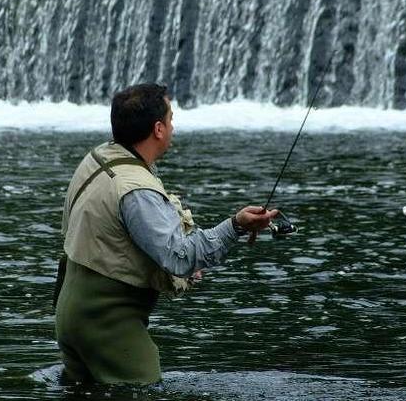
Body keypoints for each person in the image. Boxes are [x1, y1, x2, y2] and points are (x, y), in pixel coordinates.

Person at [53, 83, 278, 385]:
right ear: (158, 129)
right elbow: (179, 257)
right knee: (144, 391)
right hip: (106, 323)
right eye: (171, 118)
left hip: (70, 313)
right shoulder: (137, 190)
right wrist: (235, 226)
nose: (174, 125)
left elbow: (116, 238)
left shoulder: (99, 159)